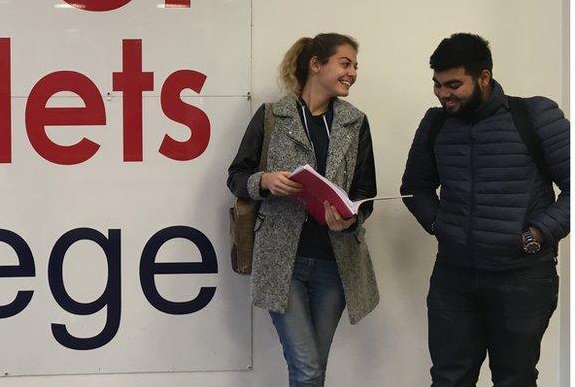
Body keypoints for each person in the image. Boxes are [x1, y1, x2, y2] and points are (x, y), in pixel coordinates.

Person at [401, 33, 570, 387]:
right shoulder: (435, 124)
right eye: (437, 85)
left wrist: (536, 233)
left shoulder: (535, 115)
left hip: (522, 278)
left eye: (453, 84)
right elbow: (414, 188)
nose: (443, 94)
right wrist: (438, 224)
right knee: (449, 378)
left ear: (484, 78)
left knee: (515, 379)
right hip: (454, 278)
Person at [227, 33, 378, 387]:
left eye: (355, 65)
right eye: (345, 63)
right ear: (316, 65)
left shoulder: (355, 122)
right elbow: (236, 177)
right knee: (308, 370)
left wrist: (351, 217)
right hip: (283, 264)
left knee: (312, 370)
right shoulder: (272, 116)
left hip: (335, 263)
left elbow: (365, 192)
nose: (353, 72)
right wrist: (264, 181)